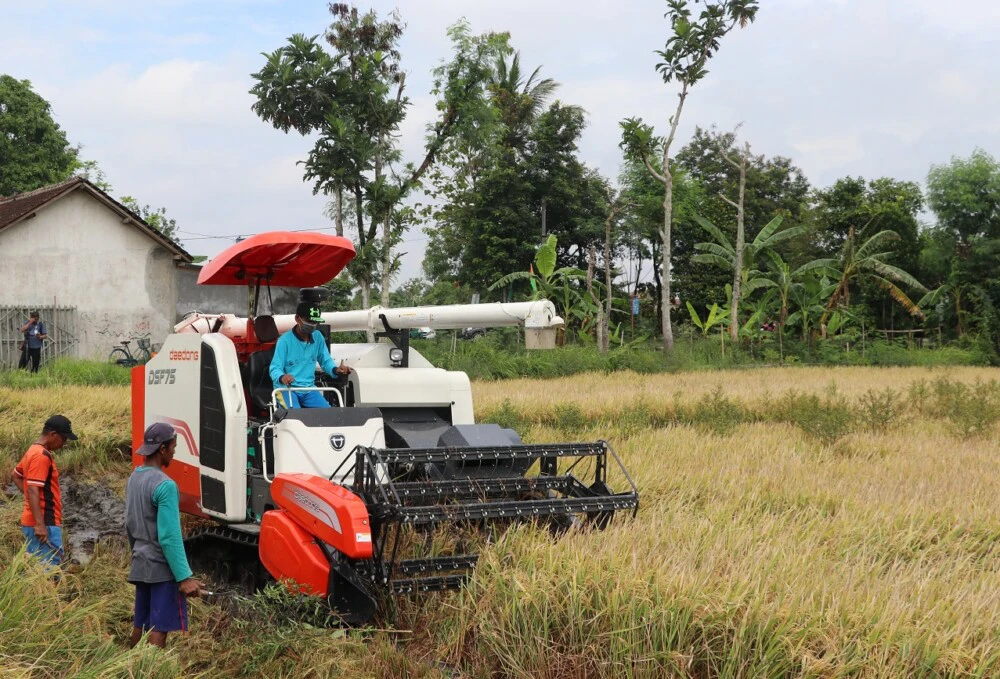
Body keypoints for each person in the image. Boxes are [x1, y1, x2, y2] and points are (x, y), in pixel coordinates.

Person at [126, 422, 203, 649]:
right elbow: (169, 537)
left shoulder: (135, 478)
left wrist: (137, 554)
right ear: (162, 449)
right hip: (161, 567)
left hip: (141, 562)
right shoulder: (165, 485)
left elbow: (129, 523)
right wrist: (184, 577)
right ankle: (151, 671)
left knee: (141, 624)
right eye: (173, 447)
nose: (174, 452)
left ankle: (129, 668)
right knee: (159, 628)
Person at [12, 415, 78, 567]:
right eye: (64, 438)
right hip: (44, 521)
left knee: (37, 568)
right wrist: (40, 524)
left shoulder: (32, 450)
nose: (64, 443)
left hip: (35, 520)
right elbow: (34, 489)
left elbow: (16, 475)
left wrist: (29, 499)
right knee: (50, 568)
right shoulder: (41, 456)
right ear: (53, 434)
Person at [269, 301, 351, 408]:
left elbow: (325, 361)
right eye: (309, 321)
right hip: (286, 389)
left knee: (329, 415)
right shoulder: (284, 341)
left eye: (315, 322)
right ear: (297, 318)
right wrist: (282, 376)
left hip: (309, 389)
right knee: (294, 418)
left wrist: (336, 370)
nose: (312, 325)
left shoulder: (318, 337)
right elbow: (274, 368)